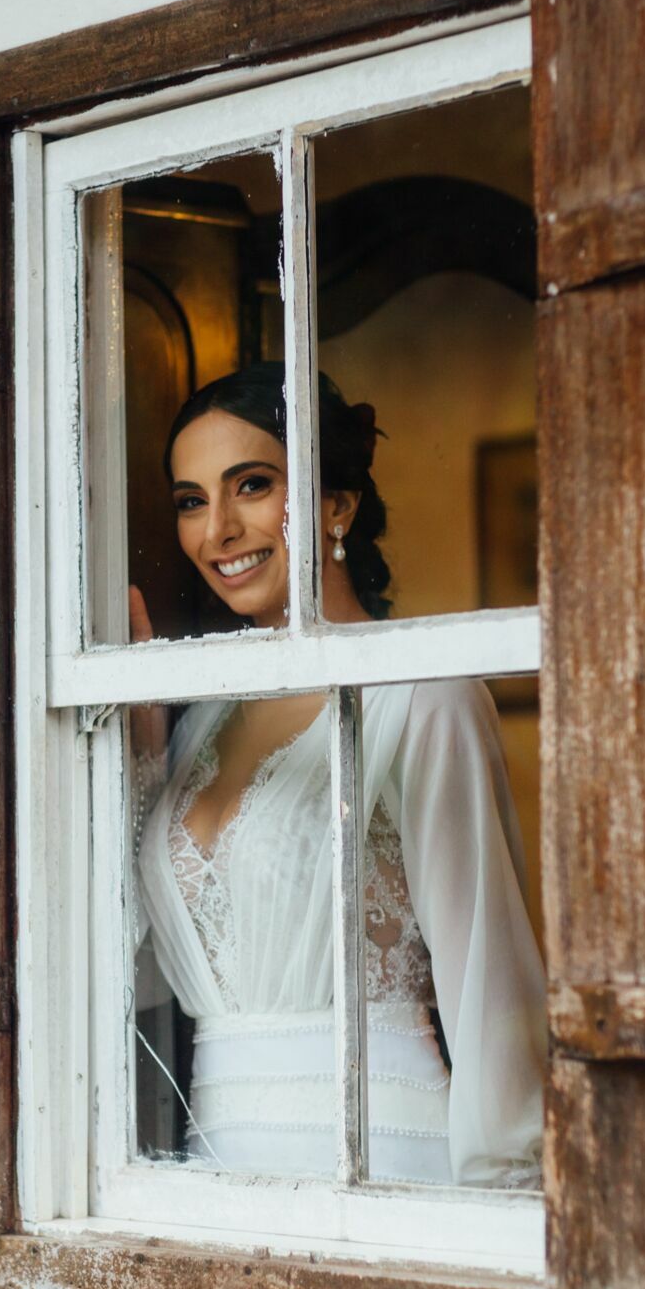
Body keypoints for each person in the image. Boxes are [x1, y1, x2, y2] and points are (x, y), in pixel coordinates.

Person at [129, 362, 546, 1187]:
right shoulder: (202, 719)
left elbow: (488, 988)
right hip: (208, 1184)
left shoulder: (422, 692)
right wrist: (136, 762)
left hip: (385, 1171)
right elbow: (143, 979)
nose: (216, 530)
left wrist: (500, 1219)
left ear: (336, 503)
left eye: (250, 485)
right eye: (190, 500)